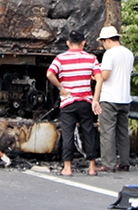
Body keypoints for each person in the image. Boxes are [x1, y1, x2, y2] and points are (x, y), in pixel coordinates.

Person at [46, 30, 102, 176]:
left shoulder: (60, 58)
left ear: (68, 43)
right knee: (88, 132)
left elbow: (49, 74)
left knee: (68, 133)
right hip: (85, 101)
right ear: (83, 43)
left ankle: (68, 167)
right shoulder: (91, 58)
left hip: (68, 102)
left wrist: (61, 88)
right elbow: (100, 78)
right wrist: (95, 100)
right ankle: (91, 167)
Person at [97, 26, 134, 172]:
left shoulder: (109, 54)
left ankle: (108, 164)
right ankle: (124, 162)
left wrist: (95, 75)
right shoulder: (129, 53)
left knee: (107, 132)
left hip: (110, 98)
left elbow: (105, 76)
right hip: (125, 98)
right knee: (122, 133)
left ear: (107, 40)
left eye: (102, 42)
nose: (103, 45)